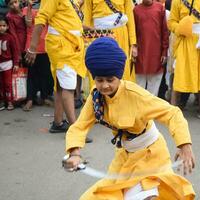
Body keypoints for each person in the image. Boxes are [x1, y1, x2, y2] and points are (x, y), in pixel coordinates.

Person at [63, 37, 195, 199]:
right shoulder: (96, 97)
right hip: (124, 157)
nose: (105, 85)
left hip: (150, 155)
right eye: (99, 80)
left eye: (110, 80)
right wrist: (75, 153)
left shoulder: (136, 95)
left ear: (119, 76)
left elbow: (172, 113)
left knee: (146, 196)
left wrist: (184, 144)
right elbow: (80, 126)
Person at [25, 0, 93, 142]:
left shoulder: (72, 2)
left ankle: (58, 123)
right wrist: (33, 47)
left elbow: (72, 23)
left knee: (60, 86)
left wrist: (94, 30)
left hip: (71, 46)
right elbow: (41, 19)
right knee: (68, 88)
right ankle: (75, 130)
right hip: (61, 47)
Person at [83, 0, 137, 83]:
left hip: (121, 35)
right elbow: (86, 21)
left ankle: (122, 94)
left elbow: (130, 17)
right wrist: (87, 41)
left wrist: (133, 43)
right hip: (98, 35)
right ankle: (98, 94)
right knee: (99, 66)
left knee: (121, 67)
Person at [168, 0, 200, 117]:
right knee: (179, 74)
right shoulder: (177, 1)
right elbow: (171, 22)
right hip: (185, 41)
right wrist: (180, 28)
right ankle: (173, 109)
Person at [22, 0, 54, 111]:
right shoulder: (26, 9)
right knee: (31, 74)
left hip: (45, 45)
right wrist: (30, 7)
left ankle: (45, 97)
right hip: (31, 46)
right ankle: (30, 99)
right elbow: (28, 23)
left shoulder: (48, 7)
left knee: (45, 73)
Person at [134, 0, 169, 96]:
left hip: (156, 56)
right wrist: (133, 48)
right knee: (138, 90)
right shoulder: (136, 10)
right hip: (140, 56)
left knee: (153, 93)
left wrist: (164, 52)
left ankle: (150, 110)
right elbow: (133, 33)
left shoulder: (160, 8)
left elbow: (164, 32)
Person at [0, 15, 19, 110]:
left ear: (7, 27)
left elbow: (15, 51)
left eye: (3, 25)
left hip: (7, 63)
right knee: (1, 84)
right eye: (0, 26)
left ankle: (10, 101)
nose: (1, 28)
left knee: (8, 83)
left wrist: (16, 63)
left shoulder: (10, 37)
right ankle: (3, 101)